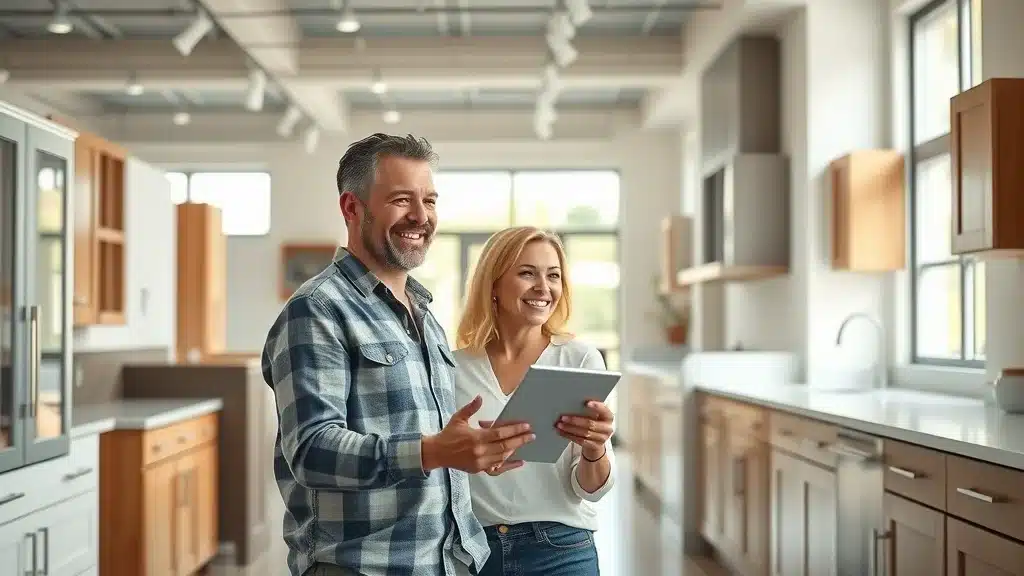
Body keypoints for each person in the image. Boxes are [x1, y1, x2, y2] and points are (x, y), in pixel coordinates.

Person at [262, 134, 536, 576]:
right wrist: (433, 452)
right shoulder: (318, 309)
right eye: (402, 199)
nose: (421, 216)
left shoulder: (425, 314)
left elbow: (430, 444)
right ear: (352, 208)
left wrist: (475, 450)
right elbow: (312, 451)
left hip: (450, 563)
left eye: (429, 200)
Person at [451, 226, 616, 576]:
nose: (544, 288)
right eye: (527, 273)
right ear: (493, 285)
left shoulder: (579, 360)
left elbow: (591, 489)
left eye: (553, 276)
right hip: (474, 550)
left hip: (562, 548)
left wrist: (595, 449)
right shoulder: (452, 368)